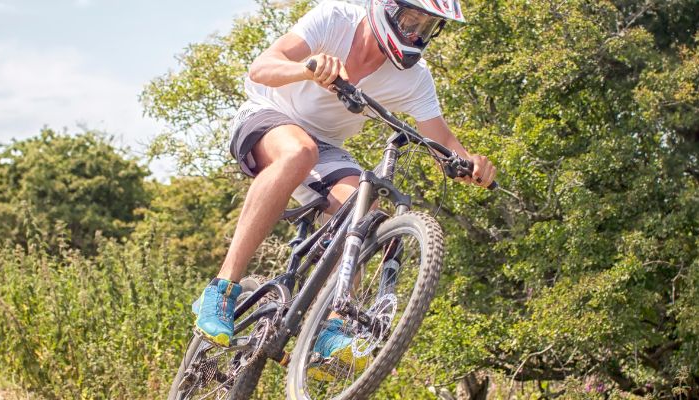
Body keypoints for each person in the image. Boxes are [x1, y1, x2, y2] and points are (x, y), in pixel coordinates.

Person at [191, 0, 496, 376]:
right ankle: (221, 290)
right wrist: (307, 68)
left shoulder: (414, 79)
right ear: (388, 7)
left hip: (325, 148)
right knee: (298, 150)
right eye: (412, 20)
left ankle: (332, 327)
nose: (417, 34)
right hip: (266, 113)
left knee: (365, 214)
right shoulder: (335, 18)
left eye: (429, 27)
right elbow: (262, 67)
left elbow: (442, 139)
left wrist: (471, 163)